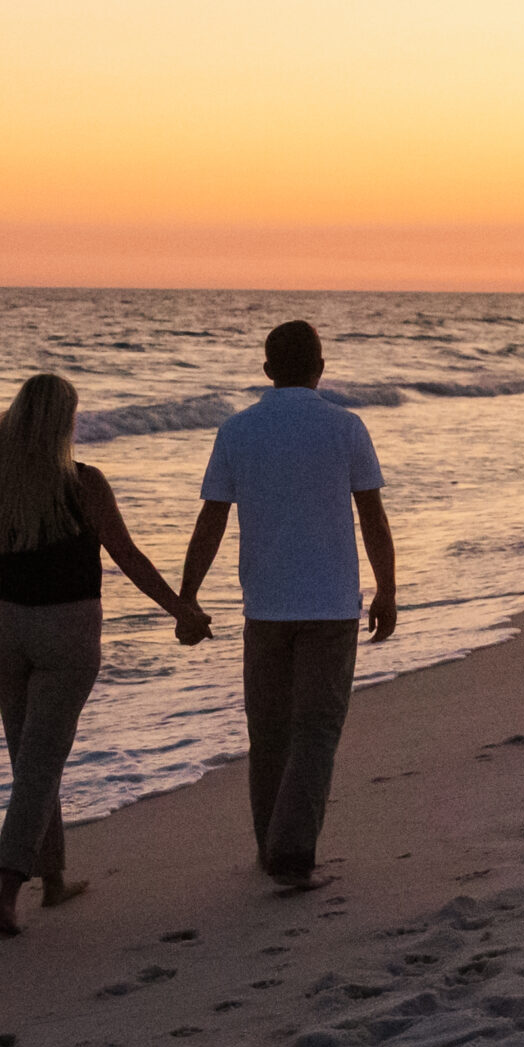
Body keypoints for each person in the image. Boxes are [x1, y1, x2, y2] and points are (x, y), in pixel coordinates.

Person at [0, 372, 210, 936]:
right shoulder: (84, 483)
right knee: (41, 764)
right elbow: (128, 556)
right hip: (68, 631)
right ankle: (7, 889)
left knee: (32, 762)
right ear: (60, 424)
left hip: (6, 630)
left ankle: (54, 880)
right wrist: (179, 609)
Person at [178, 318, 396, 888]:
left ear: (268, 370)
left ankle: (269, 847)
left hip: (265, 605)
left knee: (269, 732)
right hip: (330, 605)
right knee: (316, 730)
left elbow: (212, 519)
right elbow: (371, 515)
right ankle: (292, 856)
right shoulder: (345, 427)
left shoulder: (238, 430)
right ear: (320, 368)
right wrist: (387, 588)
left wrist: (188, 595)